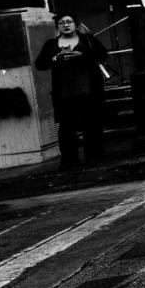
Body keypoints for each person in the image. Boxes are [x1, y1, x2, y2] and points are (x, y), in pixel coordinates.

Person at [34, 13, 108, 170]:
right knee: (66, 127)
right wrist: (55, 58)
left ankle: (95, 157)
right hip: (64, 92)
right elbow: (40, 64)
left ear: (76, 24)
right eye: (61, 22)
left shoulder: (87, 40)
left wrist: (82, 55)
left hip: (89, 90)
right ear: (57, 26)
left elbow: (103, 54)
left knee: (92, 124)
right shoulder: (51, 44)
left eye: (69, 22)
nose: (65, 25)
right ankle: (70, 160)